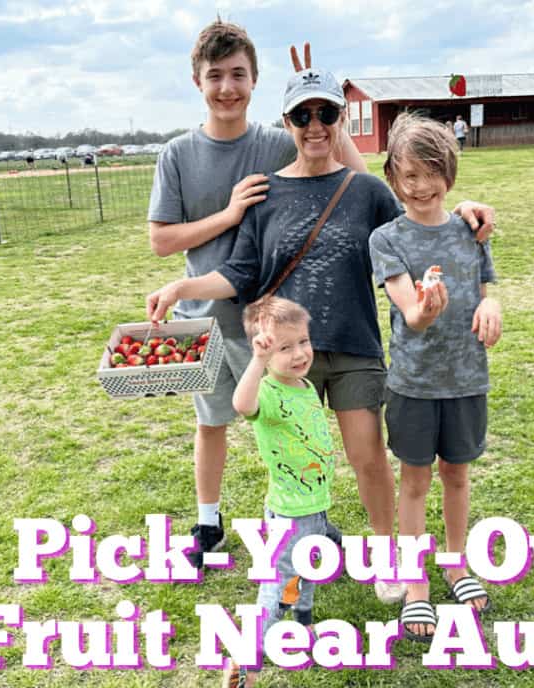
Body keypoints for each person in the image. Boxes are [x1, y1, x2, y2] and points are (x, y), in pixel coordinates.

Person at [146, 66, 497, 604]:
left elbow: (422, 208)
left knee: (367, 457)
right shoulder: (266, 195)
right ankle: (304, 551)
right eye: (303, 115)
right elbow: (241, 272)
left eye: (327, 113)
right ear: (286, 121)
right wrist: (181, 284)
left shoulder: (365, 191)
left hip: (353, 344)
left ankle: (388, 557)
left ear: (340, 120)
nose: (315, 125)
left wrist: (468, 209)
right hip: (289, 356)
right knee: (300, 462)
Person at [147, 22, 368, 574]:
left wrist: (320, 104)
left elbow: (357, 180)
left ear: (255, 81)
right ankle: (208, 521)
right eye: (215, 76)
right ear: (197, 81)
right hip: (204, 312)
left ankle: (309, 519)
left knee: (292, 420)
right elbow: (161, 239)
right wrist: (228, 213)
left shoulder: (275, 141)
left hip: (270, 318)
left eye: (239, 75)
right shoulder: (178, 153)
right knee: (213, 422)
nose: (228, 88)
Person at [369, 113, 502, 642]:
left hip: (468, 379)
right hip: (415, 385)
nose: (420, 186)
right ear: (393, 178)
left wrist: (495, 308)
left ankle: (455, 562)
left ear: (449, 172)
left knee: (458, 475)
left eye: (430, 172)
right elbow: (410, 312)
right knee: (416, 482)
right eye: (408, 175)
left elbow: (489, 286)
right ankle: (416, 583)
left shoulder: (472, 229)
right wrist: (425, 307)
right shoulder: (387, 239)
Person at [219, 296, 335, 688]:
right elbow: (241, 405)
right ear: (265, 352)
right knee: (277, 589)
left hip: (312, 504)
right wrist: (257, 362)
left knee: (307, 567)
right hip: (292, 512)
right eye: (284, 349)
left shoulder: (302, 385)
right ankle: (243, 662)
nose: (300, 354)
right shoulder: (266, 391)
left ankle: (302, 625)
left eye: (302, 342)